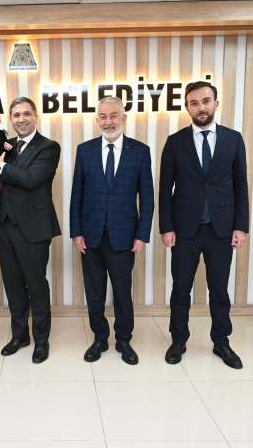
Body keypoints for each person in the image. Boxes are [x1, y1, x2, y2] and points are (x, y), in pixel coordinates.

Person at [159, 81, 248, 369]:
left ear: (216, 104)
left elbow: (241, 187)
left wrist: (241, 227)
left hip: (222, 230)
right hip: (185, 230)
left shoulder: (233, 140)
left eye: (206, 101)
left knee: (219, 289)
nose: (201, 107)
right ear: (187, 107)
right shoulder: (175, 142)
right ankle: (178, 339)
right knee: (180, 288)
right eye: (194, 103)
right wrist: (166, 227)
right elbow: (165, 189)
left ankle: (221, 341)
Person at [70, 96, 154, 365]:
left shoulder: (140, 151)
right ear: (97, 120)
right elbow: (76, 195)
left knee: (122, 293)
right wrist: (76, 232)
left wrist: (141, 235)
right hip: (90, 236)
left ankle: (124, 340)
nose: (108, 122)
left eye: (114, 115)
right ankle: (99, 338)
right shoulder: (85, 151)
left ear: (123, 118)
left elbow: (147, 198)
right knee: (94, 293)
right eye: (103, 116)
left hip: (125, 237)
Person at [0, 97, 61, 364]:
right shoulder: (7, 146)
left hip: (34, 229)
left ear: (35, 116)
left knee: (36, 286)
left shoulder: (48, 147)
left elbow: (30, 179)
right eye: (16, 115)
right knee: (13, 286)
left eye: (26, 113)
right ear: (10, 119)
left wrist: (1, 165)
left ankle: (41, 340)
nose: (21, 119)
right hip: (4, 227)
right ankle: (20, 336)